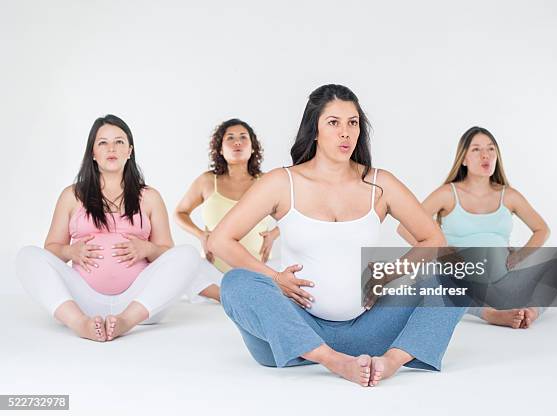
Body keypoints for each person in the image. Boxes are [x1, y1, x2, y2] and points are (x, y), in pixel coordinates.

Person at [208, 84, 466, 387]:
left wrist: (390, 273)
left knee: (460, 270)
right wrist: (274, 277)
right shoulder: (282, 182)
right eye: (334, 123)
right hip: (292, 334)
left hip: (368, 331)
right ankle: (331, 360)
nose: (346, 132)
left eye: (352, 123)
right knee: (235, 282)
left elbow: (433, 239)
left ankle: (392, 361)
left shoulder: (380, 183)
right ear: (314, 129)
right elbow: (220, 240)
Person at [16, 115, 200, 342]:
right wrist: (69, 252)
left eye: (119, 142)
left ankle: (125, 322)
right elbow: (50, 250)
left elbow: (168, 255)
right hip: (83, 301)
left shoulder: (150, 197)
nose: (111, 148)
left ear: (130, 150)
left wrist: (147, 249)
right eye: (103, 142)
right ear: (92, 152)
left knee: (189, 254)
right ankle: (79, 323)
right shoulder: (72, 195)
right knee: (27, 256)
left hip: (139, 302)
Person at [398, 126, 550, 328]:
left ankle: (529, 313)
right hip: (461, 278)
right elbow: (404, 227)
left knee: (555, 272)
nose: (485, 155)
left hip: (502, 279)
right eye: (476, 150)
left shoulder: (509, 195)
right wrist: (441, 252)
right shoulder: (447, 193)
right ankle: (489, 314)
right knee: (437, 281)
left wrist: (519, 256)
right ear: (463, 159)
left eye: (491, 149)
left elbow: (542, 229)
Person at [175, 119, 279, 302]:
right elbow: (179, 213)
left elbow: (295, 214)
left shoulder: (266, 182)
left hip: (257, 271)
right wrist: (201, 235)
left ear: (253, 147)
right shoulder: (207, 181)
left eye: (243, 137)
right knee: (182, 264)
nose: (237, 142)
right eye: (230, 138)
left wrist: (274, 234)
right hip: (214, 273)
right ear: (220, 149)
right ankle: (228, 296)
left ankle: (242, 294)